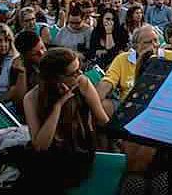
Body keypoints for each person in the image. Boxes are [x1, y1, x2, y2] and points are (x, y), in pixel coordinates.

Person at [23, 48, 109, 191]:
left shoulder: (82, 83)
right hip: (49, 155)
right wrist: (58, 106)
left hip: (79, 150)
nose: (80, 74)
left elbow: (102, 119)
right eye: (73, 73)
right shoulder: (32, 98)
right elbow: (40, 146)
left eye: (79, 69)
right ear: (56, 79)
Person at [96, 25, 159, 116]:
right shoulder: (123, 59)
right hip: (127, 106)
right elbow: (108, 82)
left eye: (156, 40)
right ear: (136, 45)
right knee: (102, 105)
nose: (154, 45)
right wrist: (95, 101)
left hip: (155, 107)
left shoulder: (165, 58)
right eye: (147, 42)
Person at [11, 30, 46, 116]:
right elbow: (19, 101)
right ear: (25, 56)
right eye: (35, 53)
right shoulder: (18, 67)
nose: (42, 54)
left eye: (42, 48)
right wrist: (22, 72)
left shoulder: (55, 55)